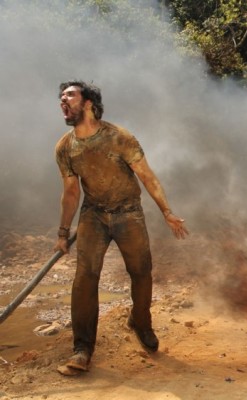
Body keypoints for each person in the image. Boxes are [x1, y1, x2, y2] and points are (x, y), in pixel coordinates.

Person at [53, 80, 188, 375]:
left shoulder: (119, 137)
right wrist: (63, 233)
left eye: (70, 95)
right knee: (85, 279)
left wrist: (167, 212)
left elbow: (147, 177)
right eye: (61, 96)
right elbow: (71, 193)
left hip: (129, 213)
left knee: (141, 271)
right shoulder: (65, 148)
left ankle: (141, 321)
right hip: (94, 216)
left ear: (88, 102)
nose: (63, 99)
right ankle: (82, 349)